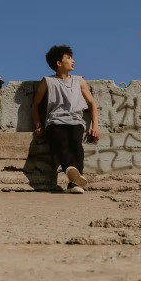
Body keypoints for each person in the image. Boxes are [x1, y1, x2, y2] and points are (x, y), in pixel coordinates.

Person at [31, 45, 101, 194]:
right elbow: (35, 104)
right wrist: (38, 124)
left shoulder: (79, 80)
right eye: (68, 58)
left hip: (76, 121)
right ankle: (76, 182)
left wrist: (95, 126)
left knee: (76, 146)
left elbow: (92, 104)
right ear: (59, 63)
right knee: (61, 143)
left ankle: (73, 182)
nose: (73, 61)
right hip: (55, 122)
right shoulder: (47, 81)